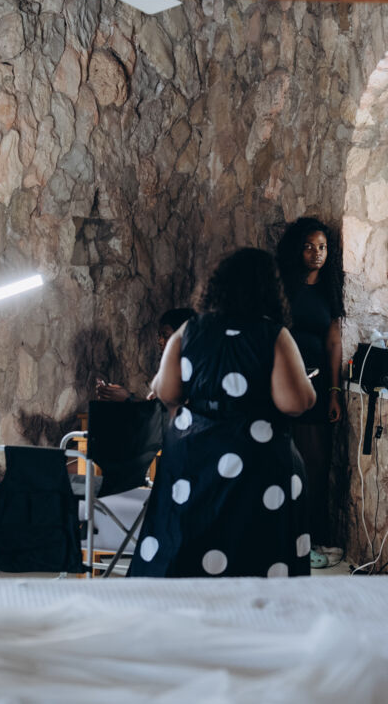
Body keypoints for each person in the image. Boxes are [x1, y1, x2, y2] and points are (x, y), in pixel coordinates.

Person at [129, 248, 316, 578]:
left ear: (215, 286)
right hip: (259, 461)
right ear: (270, 289)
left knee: (184, 547)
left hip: (194, 460)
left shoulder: (189, 331)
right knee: (258, 551)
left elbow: (166, 391)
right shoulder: (273, 335)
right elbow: (294, 402)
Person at [276, 217, 345, 569]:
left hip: (318, 386)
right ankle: (289, 542)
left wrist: (334, 391)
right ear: (296, 250)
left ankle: (314, 539)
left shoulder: (330, 288)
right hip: (285, 383)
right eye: (309, 247)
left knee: (316, 466)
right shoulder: (284, 286)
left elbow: (333, 342)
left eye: (322, 247)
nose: (317, 254)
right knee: (288, 464)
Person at [95, 307, 195, 402]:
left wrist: (128, 398)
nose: (160, 341)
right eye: (159, 336)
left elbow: (164, 410)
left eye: (165, 335)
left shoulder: (191, 373)